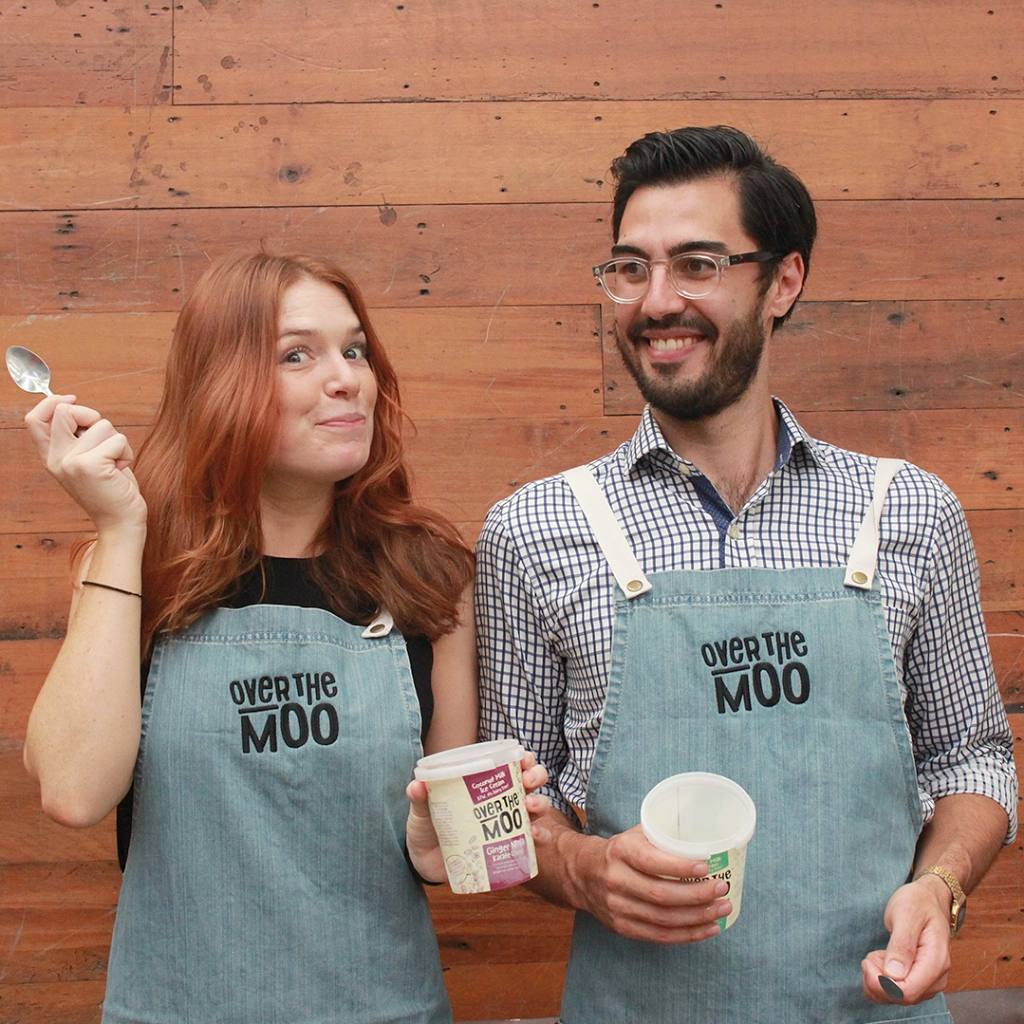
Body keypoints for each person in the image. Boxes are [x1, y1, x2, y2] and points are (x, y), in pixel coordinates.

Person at [475, 127, 1018, 1022]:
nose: (657, 302)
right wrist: (584, 870)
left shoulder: (910, 511)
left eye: (697, 264)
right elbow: (509, 807)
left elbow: (974, 757)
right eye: (630, 268)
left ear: (784, 282)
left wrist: (941, 889)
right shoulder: (535, 529)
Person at [21, 251, 543, 1024]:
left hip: (387, 1009)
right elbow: (71, 791)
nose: (347, 379)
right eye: (297, 354)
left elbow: (440, 853)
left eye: (354, 350)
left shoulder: (432, 580)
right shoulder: (139, 568)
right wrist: (121, 529)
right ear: (219, 385)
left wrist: (444, 843)